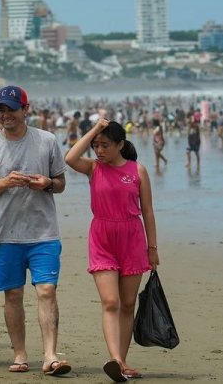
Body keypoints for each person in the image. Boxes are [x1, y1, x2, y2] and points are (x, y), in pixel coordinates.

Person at [0, 84, 71, 376]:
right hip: (4, 233)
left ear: (26, 110)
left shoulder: (47, 140)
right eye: (1, 110)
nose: (6, 115)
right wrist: (4, 183)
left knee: (47, 290)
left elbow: (61, 183)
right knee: (13, 295)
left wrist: (47, 184)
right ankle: (20, 354)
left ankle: (50, 355)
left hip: (43, 232)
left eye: (12, 109)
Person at [65, 118, 158, 382]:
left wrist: (152, 247)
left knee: (127, 304)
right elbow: (70, 158)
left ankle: (122, 362)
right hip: (102, 238)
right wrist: (95, 130)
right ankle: (115, 359)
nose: (99, 150)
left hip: (132, 238)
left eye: (105, 145)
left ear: (120, 145)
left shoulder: (137, 171)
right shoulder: (93, 168)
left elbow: (148, 211)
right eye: (96, 145)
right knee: (110, 302)